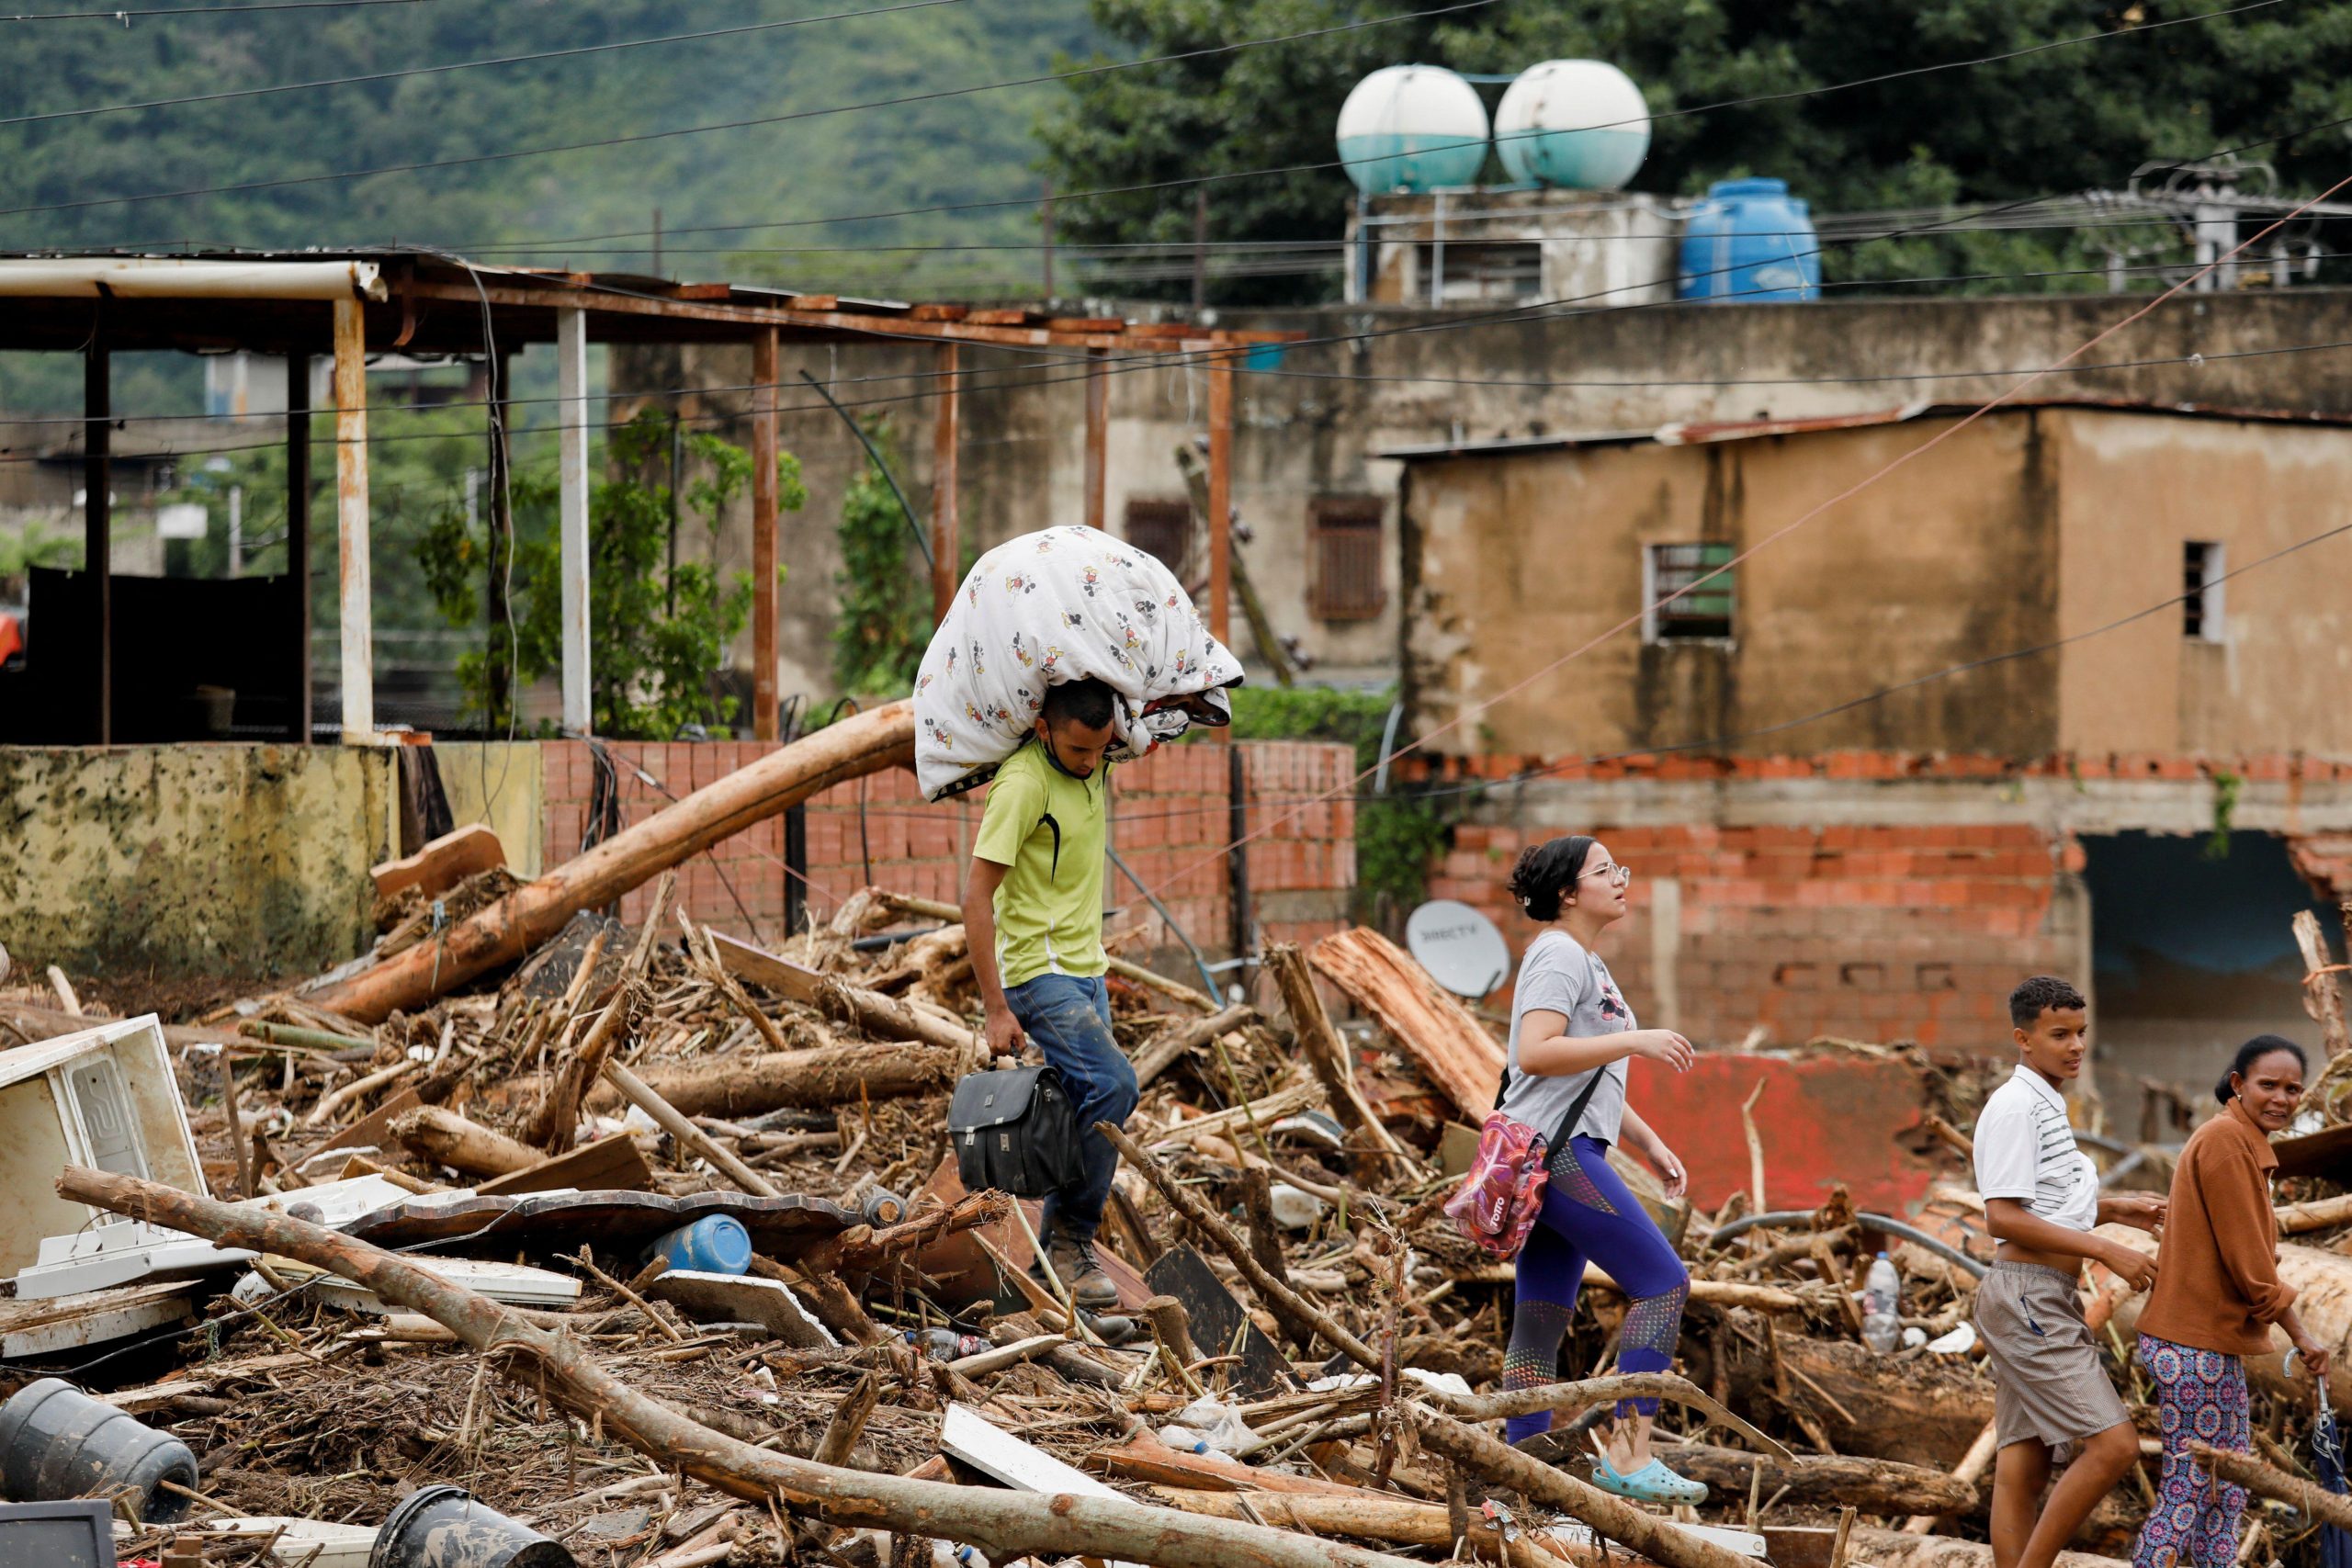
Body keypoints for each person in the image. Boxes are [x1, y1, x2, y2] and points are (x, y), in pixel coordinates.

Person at [1494, 834, 1706, 1504]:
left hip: (1561, 1148)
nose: (1621, 878)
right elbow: (1535, 1052)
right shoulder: (1559, 952)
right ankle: (1629, 1451)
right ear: (1567, 892)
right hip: (1557, 1158)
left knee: (1539, 1322)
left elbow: (1587, 1071)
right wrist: (1639, 1039)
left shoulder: (1585, 959)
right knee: (1664, 1282)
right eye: (1605, 869)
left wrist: (1646, 1141)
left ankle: (1516, 1482)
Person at [1974, 976, 2169, 1568]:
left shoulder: (2047, 1102)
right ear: (2023, 1039)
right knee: (2115, 1447)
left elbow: (2043, 1203)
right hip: (2027, 1298)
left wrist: (2115, 1208)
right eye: (2059, 1034)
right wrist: (2106, 1248)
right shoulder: (2015, 1106)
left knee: (2023, 1468)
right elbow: (2002, 1217)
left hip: (2038, 1296)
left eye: (2081, 1033)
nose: (2076, 1045)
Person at [964, 677, 1136, 1309]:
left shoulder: (1095, 758)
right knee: (1115, 1084)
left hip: (1087, 968)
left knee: (1079, 1104)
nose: (1090, 762)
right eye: (1076, 751)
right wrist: (995, 1007)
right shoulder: (1023, 785)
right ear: (1042, 730)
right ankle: (1069, 1236)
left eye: (1100, 750)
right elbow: (976, 897)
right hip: (1039, 971)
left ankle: (1048, 1269)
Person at [2131, 1035, 2330, 1568]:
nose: (2282, 1099)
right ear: (2238, 1084)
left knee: (2227, 1485)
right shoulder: (2225, 1141)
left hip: (2204, 1345)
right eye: (2268, 1085)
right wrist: (2304, 1335)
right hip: (2189, 1346)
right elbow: (2252, 1268)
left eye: (2293, 1089)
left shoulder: (2244, 1146)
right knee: (2192, 1487)